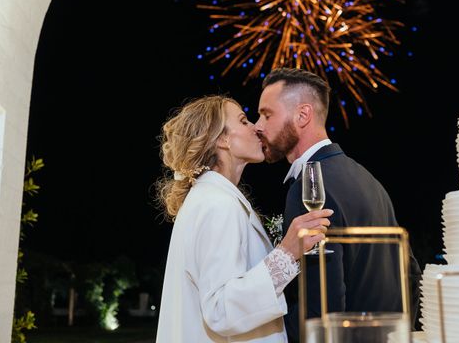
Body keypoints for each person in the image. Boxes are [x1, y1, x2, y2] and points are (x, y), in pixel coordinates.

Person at [255, 68, 422, 341]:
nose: (258, 125)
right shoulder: (369, 182)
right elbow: (410, 274)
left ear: (302, 115)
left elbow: (321, 305)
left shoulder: (309, 190)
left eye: (267, 114)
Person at [155, 95, 333, 343]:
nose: (256, 127)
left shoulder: (209, 198)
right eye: (244, 121)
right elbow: (220, 310)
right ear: (222, 139)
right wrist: (286, 254)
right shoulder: (217, 205)